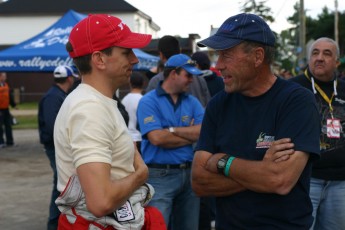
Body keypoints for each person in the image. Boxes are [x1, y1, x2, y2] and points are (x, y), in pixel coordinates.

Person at [191, 13, 321, 229]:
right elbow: (199, 182)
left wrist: (223, 161)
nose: (219, 65)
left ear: (258, 56)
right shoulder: (218, 104)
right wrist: (261, 171)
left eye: (227, 55)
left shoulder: (297, 101)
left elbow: (279, 180)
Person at [53, 14, 165, 229]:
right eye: (126, 52)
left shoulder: (97, 102)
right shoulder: (90, 108)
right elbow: (100, 201)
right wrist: (141, 174)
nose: (135, 59)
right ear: (99, 59)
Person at [137, 54, 205, 230]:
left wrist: (172, 130)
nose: (191, 80)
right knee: (158, 226)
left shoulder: (192, 101)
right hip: (159, 175)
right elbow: (156, 138)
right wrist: (189, 134)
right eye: (188, 75)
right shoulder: (148, 100)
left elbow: (203, 132)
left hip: (189, 174)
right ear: (173, 73)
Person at [290, 37, 345, 230]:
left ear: (337, 62)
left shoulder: (344, 89)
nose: (319, 58)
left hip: (340, 182)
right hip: (305, 180)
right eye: (315, 53)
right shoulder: (292, 88)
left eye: (327, 53)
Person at [38, 65, 78, 230]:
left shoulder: (58, 95)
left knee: (62, 184)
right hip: (55, 147)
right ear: (69, 78)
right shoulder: (54, 97)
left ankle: (58, 222)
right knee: (62, 185)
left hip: (57, 146)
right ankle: (54, 224)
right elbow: (53, 126)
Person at [145, 35, 211, 107]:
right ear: (180, 50)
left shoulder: (156, 81)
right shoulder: (199, 79)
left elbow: (148, 108)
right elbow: (208, 106)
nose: (190, 80)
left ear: (161, 55)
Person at [121, 71, 145, 152]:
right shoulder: (144, 100)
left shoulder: (124, 100)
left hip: (127, 139)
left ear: (130, 83)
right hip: (140, 138)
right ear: (143, 83)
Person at [0, 72, 17, 148]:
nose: (5, 78)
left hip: (6, 109)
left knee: (8, 125)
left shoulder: (6, 85)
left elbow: (9, 96)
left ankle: (10, 141)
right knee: (0, 127)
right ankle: (1, 142)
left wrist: (14, 105)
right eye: (4, 76)